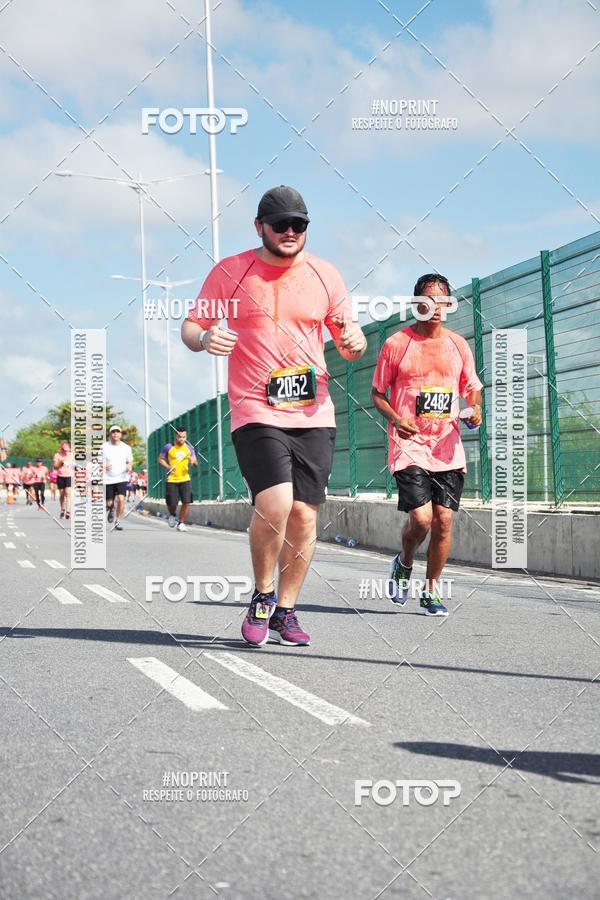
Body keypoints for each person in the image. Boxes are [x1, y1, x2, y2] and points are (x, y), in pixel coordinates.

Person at [182, 185, 366, 646]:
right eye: (280, 224)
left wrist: (354, 341)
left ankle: (286, 610)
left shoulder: (326, 276)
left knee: (304, 515)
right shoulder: (231, 272)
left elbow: (347, 334)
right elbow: (191, 326)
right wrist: (204, 341)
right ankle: (262, 596)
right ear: (259, 226)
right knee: (275, 504)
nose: (289, 232)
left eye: (298, 225)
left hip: (313, 410)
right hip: (255, 406)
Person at [371, 273, 483, 616]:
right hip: (410, 444)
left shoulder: (458, 345)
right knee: (421, 520)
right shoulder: (396, 345)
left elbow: (472, 387)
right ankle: (404, 563)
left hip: (447, 444)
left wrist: (475, 408)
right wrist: (396, 418)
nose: (436, 308)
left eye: (443, 302)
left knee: (444, 521)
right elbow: (377, 394)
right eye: (429, 300)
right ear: (417, 303)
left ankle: (431, 591)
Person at [158, 430, 198, 531]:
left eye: (184, 437)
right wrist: (168, 466)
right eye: (180, 437)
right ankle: (172, 514)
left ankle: (181, 523)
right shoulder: (168, 447)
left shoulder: (189, 448)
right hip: (172, 479)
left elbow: (195, 462)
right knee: (172, 503)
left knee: (186, 501)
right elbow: (160, 459)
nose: (182, 439)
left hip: (185, 478)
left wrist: (193, 462)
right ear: (175, 436)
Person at [103, 425, 133, 531]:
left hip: (121, 477)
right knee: (109, 503)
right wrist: (104, 466)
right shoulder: (104, 447)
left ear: (120, 434)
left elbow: (130, 461)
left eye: (117, 432)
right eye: (113, 432)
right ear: (110, 434)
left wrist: (129, 467)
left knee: (121, 499)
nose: (115, 433)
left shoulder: (126, 448)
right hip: (108, 478)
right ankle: (111, 509)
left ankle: (118, 521)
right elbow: (97, 461)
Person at [53, 442, 74, 519]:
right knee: (62, 494)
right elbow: (55, 467)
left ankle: (68, 511)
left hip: (69, 476)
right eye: (64, 450)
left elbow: (74, 465)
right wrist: (60, 463)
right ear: (61, 449)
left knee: (68, 493)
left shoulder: (71, 455)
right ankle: (62, 509)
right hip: (60, 476)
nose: (66, 452)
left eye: (67, 450)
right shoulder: (57, 455)